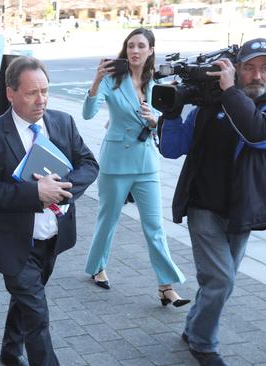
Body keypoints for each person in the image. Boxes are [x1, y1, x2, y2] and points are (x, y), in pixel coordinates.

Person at [159, 38, 266, 365]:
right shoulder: (210, 105)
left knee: (219, 281)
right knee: (221, 280)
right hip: (202, 206)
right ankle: (203, 343)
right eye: (249, 67)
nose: (257, 75)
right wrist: (172, 112)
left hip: (243, 210)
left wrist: (230, 93)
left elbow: (259, 133)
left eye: (264, 68)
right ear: (237, 68)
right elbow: (171, 148)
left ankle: (194, 325)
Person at [0, 56, 99, 366]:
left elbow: (89, 164)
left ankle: (9, 350)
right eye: (32, 92)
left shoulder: (62, 122)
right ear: (10, 93)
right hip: (14, 245)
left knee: (28, 301)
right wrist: (35, 193)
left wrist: (61, 188)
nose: (41, 99)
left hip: (52, 240)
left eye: (45, 90)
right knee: (38, 314)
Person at [81, 28, 189, 307]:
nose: (135, 51)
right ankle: (96, 267)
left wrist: (154, 120)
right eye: (131, 45)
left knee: (154, 227)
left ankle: (166, 286)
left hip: (146, 162)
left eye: (141, 46)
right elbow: (88, 113)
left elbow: (165, 121)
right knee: (108, 220)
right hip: (115, 162)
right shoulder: (112, 80)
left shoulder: (159, 82)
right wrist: (96, 80)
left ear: (151, 50)